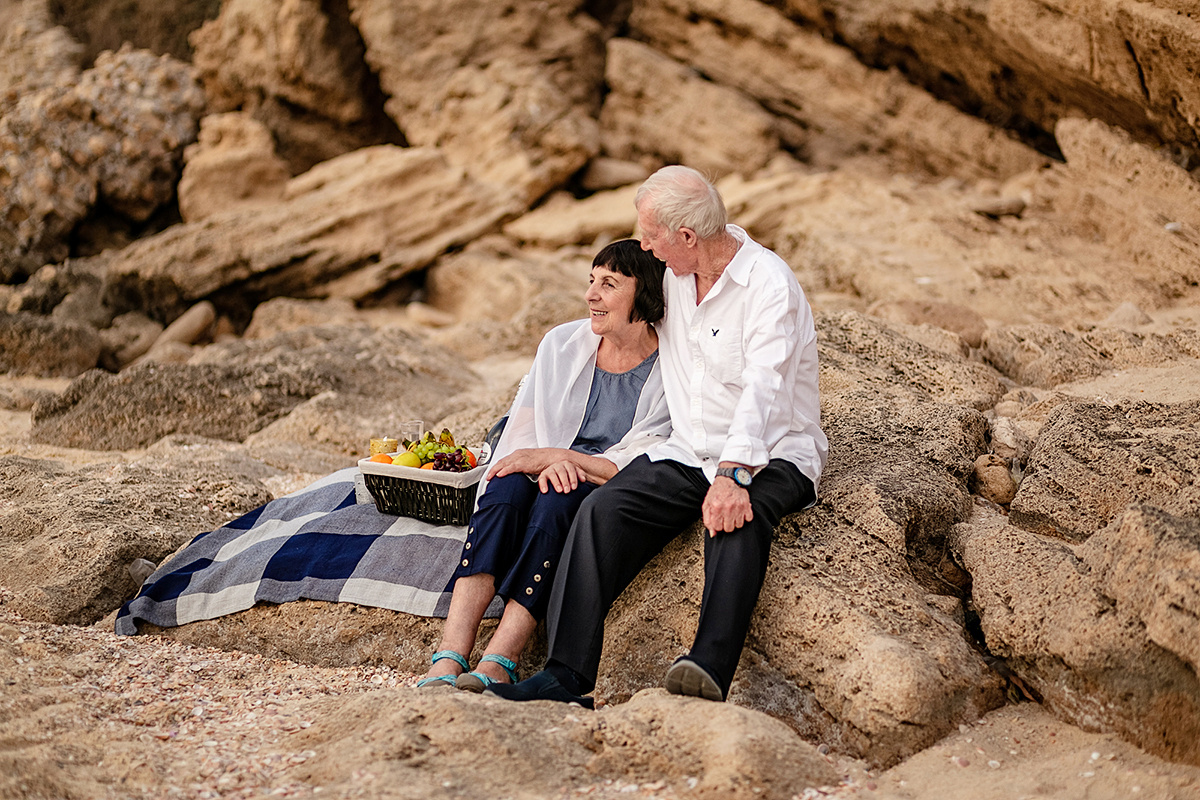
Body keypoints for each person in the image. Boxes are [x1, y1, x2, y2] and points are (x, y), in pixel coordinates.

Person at [488, 165, 828, 707]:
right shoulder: (671, 276)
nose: (644, 245)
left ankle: (708, 666)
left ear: (687, 237)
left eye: (651, 235)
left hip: (771, 452)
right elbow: (618, 319)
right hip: (686, 451)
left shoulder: (769, 286)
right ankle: (567, 675)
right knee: (601, 511)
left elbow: (766, 389)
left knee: (737, 516)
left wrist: (734, 474)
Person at [417, 239, 671, 691]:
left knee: (560, 501)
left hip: (597, 481)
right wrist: (541, 462)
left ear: (646, 293)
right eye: (591, 282)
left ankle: (501, 657)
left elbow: (646, 449)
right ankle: (450, 654)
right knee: (503, 488)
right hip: (545, 463)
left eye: (608, 284)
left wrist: (563, 461)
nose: (591, 295)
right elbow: (524, 424)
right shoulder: (560, 344)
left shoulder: (671, 367)